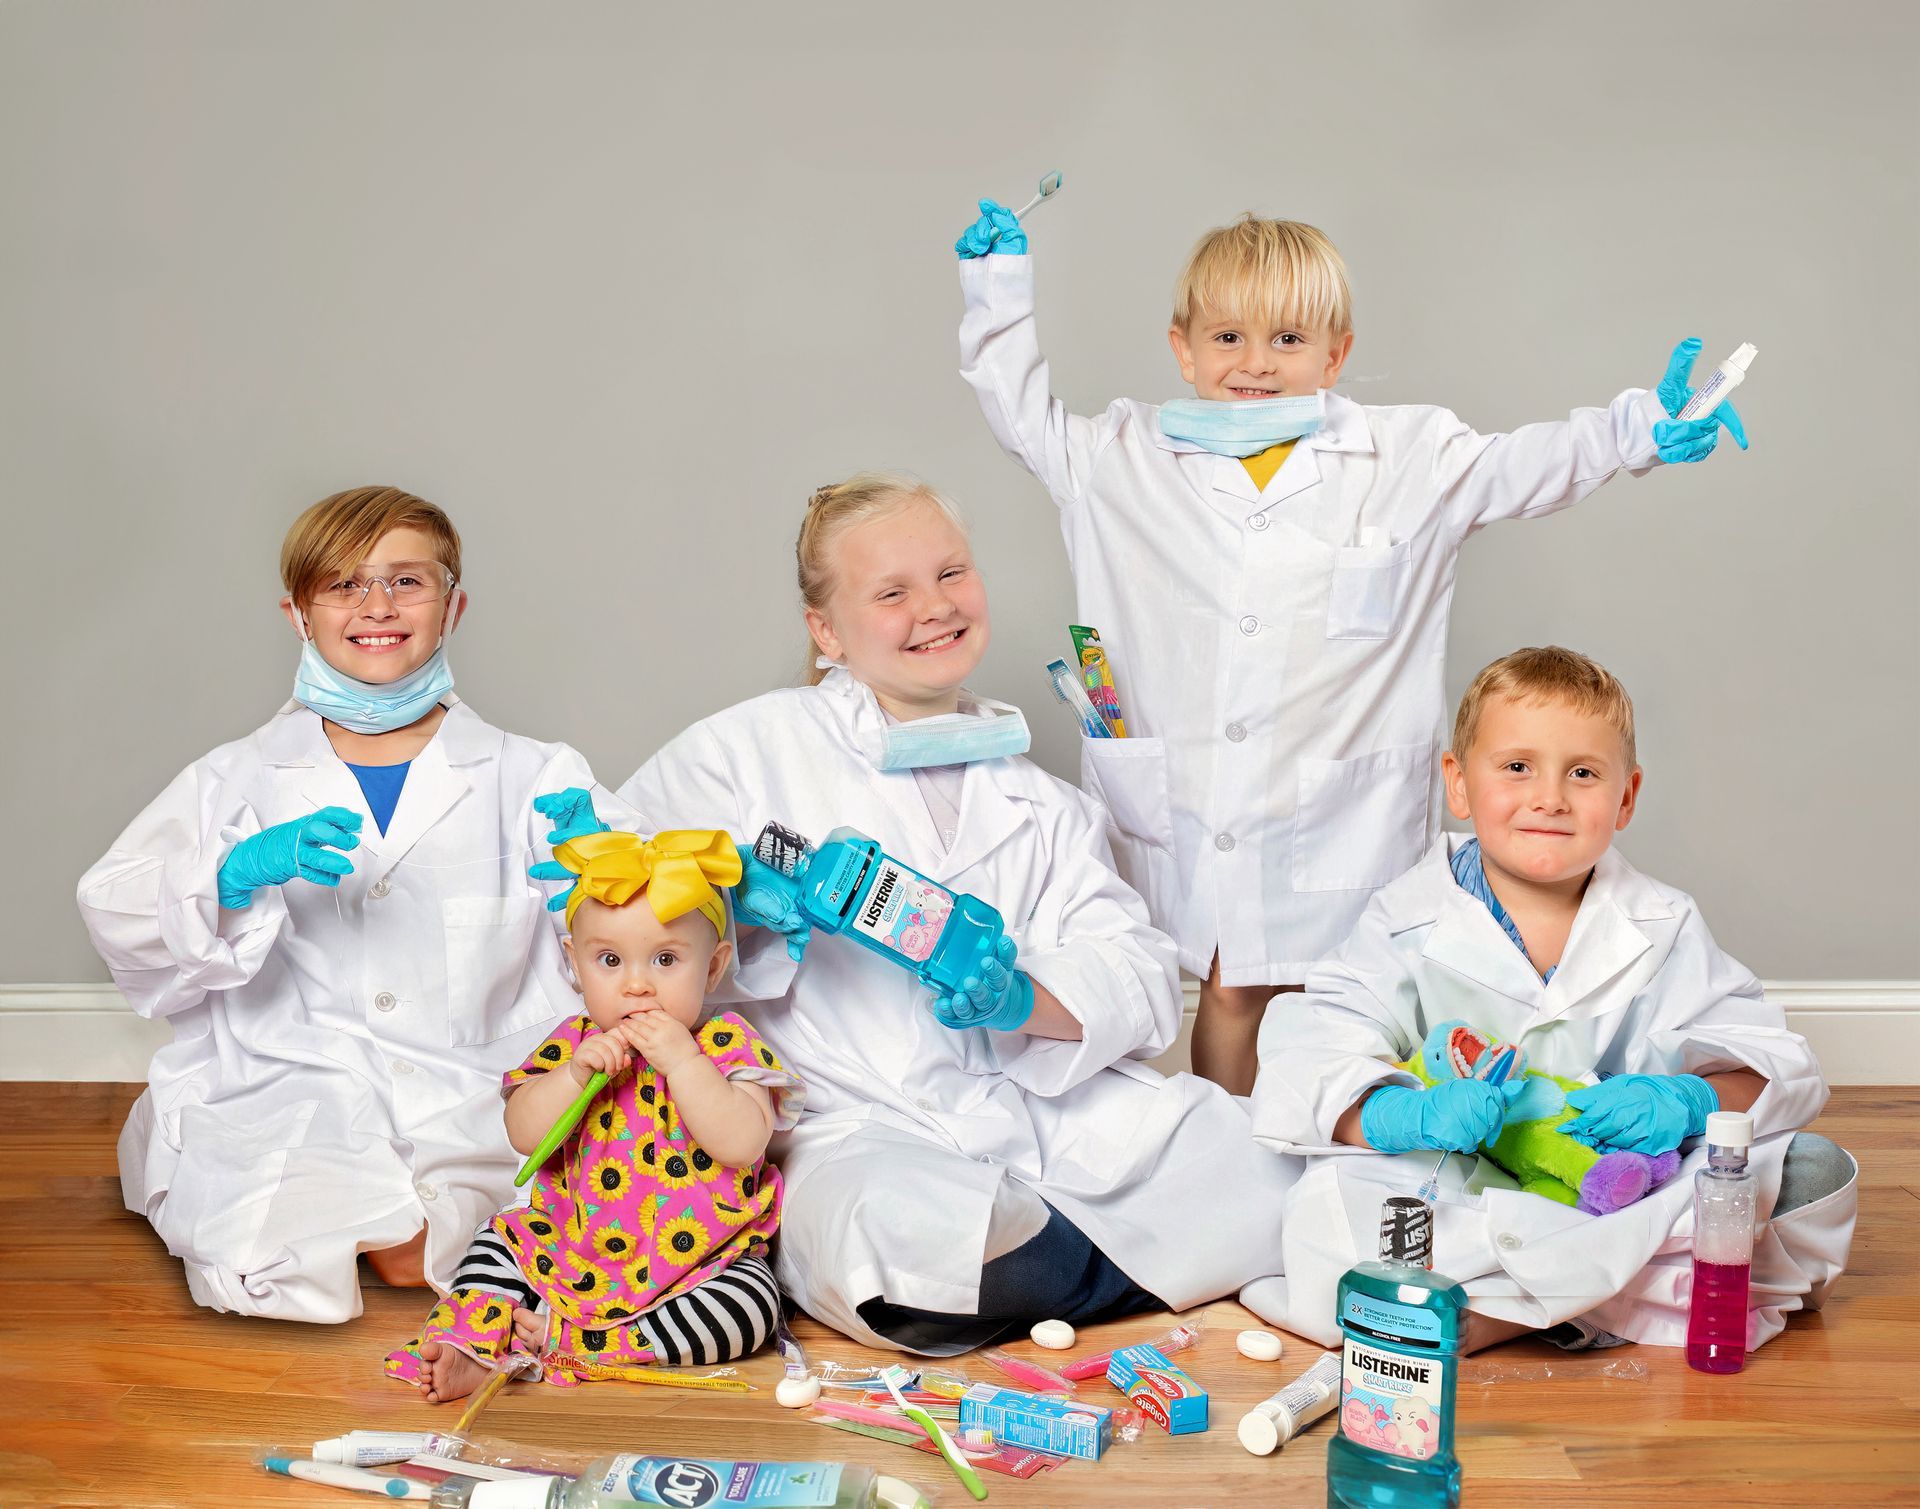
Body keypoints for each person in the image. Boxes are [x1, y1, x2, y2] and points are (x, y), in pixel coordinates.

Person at [955, 205, 1750, 1095]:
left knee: (1356, 996)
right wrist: (997, 292)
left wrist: (1640, 428)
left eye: (1288, 337)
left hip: (1344, 807)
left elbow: (1531, 463)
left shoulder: (1408, 454)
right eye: (1228, 335)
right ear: (1182, 347)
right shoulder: (1119, 457)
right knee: (1233, 987)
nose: (1256, 362)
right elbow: (1023, 417)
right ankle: (1234, 1159)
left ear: (1334, 355)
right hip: (1198, 800)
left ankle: (1349, 1159)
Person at [612, 472, 1298, 1354]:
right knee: (896, 1239)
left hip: (1048, 1115)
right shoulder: (741, 750)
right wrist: (726, 908)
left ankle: (1054, 1271)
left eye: (951, 574)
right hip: (859, 1126)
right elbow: (610, 900)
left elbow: (1135, 968)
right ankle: (1157, 1265)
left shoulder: (1044, 800)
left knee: (1265, 1157)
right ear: (826, 630)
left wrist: (1018, 996)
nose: (933, 608)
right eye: (891, 592)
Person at [77, 485, 630, 1322]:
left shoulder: (537, 773)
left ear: (454, 605)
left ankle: (426, 1229)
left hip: (485, 1084)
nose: (377, 605)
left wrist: (604, 885)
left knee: (509, 1236)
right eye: (343, 584)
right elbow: (114, 902)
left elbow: (657, 934)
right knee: (273, 1258)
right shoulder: (240, 775)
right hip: (297, 1078)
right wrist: (227, 876)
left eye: (408, 581)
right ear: (299, 614)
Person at [1242, 647, 1856, 1351]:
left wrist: (1684, 1100)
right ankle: (1595, 1301)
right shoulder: (1405, 915)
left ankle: (1481, 1315)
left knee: (1808, 1171)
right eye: (1516, 767)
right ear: (1459, 784)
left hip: (1611, 1184)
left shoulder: (1663, 920)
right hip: (1446, 1179)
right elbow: (1316, 1037)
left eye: (1584, 773)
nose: (1550, 797)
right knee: (1327, 1208)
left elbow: (1774, 1063)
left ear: (1626, 797)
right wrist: (1396, 1113)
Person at [386, 827, 801, 1400]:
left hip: (699, 1262)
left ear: (711, 968)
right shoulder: (575, 1043)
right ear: (574, 965)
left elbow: (742, 1143)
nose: (636, 985)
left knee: (751, 1306)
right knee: (494, 1246)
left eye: (665, 960)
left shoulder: (726, 1044)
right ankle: (469, 1343)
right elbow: (524, 1136)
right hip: (568, 1245)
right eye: (609, 960)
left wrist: (683, 1063)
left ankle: (589, 1345)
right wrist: (573, 1077)